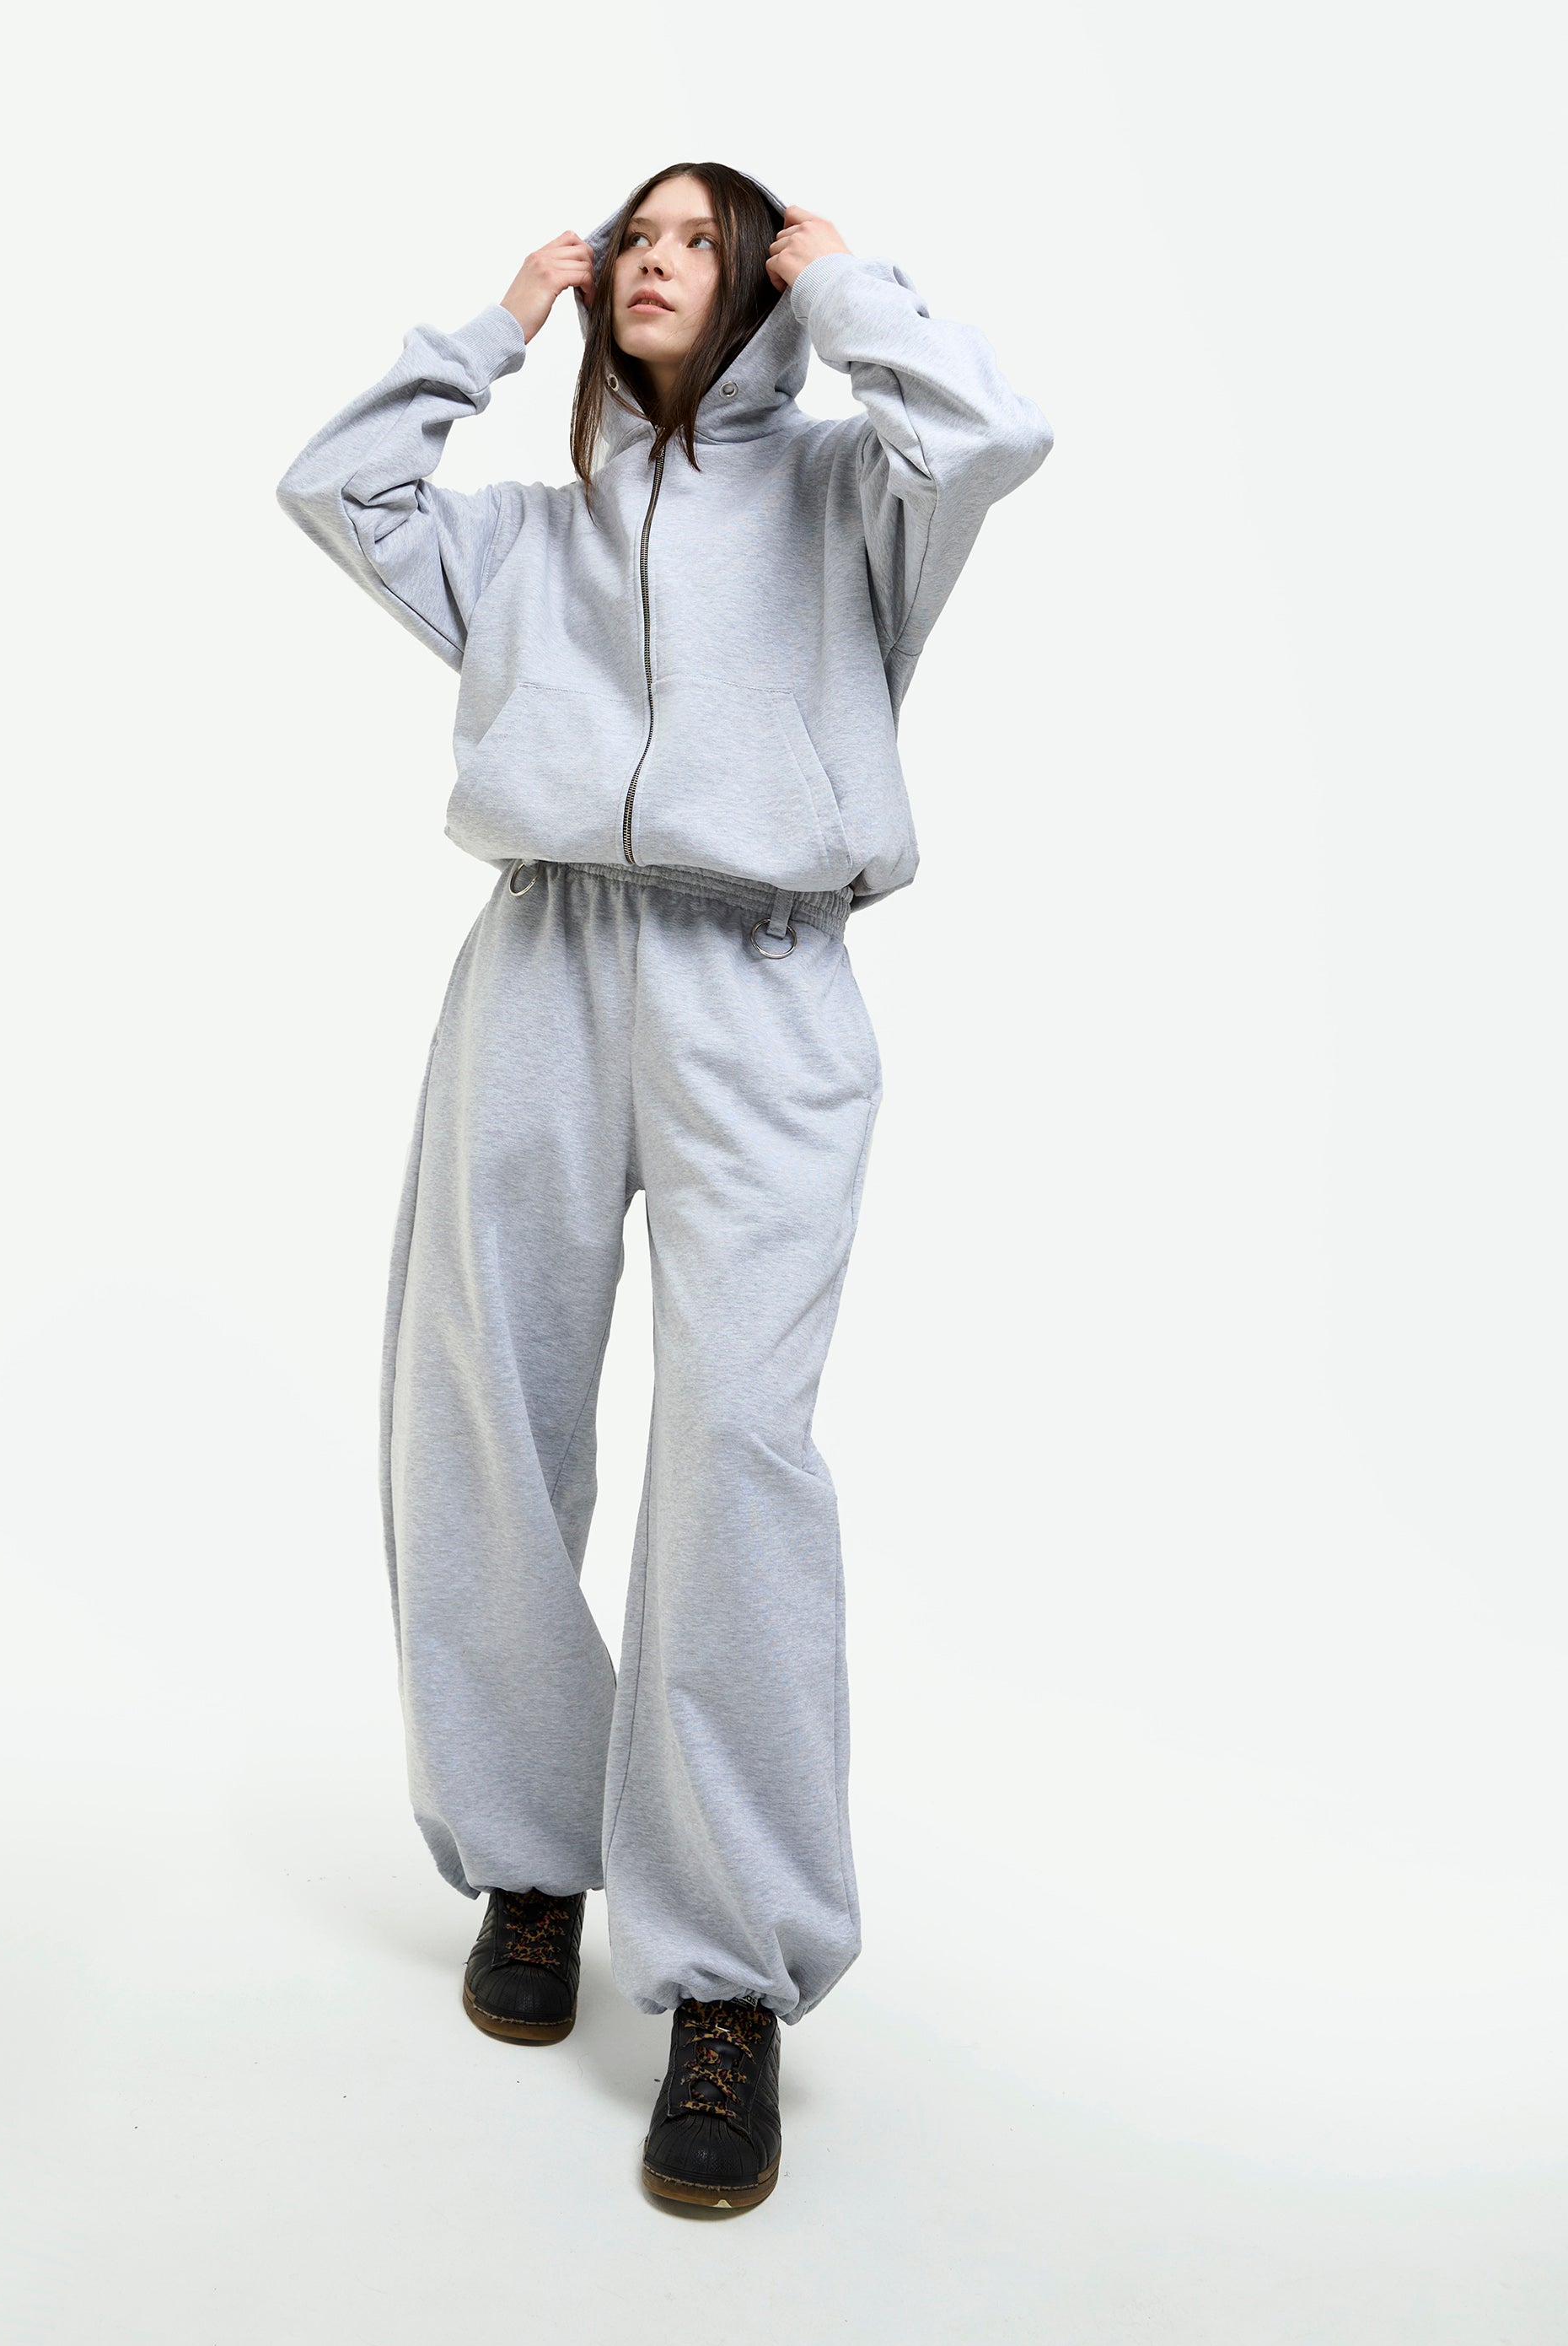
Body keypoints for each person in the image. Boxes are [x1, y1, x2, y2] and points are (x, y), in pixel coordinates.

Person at [277, 161, 1051, 2211]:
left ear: (763, 284)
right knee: (485, 1420)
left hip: (761, 982)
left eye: (705, 238)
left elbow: (992, 434)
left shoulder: (852, 498)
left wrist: (851, 286)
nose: (658, 259)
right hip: (539, 956)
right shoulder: (524, 537)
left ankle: (727, 1977)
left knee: (737, 1450)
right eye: (638, 233)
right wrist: (487, 325)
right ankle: (532, 1859)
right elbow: (333, 485)